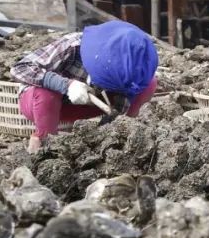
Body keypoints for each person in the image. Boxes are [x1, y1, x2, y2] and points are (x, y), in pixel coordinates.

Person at [11, 20, 158, 154]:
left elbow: (127, 95)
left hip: (93, 105)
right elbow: (20, 68)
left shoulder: (134, 67)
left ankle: (122, 137)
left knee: (148, 84)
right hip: (48, 106)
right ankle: (45, 145)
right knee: (45, 93)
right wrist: (66, 85)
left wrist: (110, 129)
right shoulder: (73, 45)